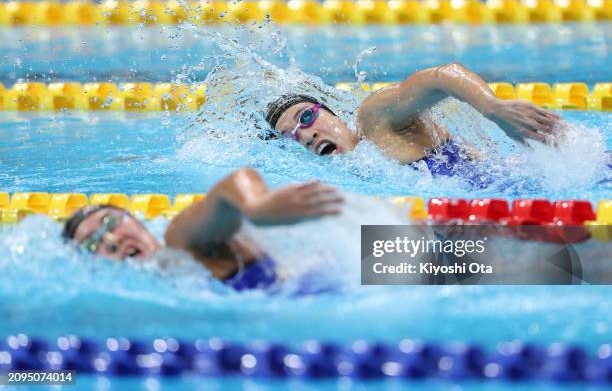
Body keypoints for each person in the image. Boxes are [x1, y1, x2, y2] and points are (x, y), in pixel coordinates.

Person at [265, 63, 563, 180]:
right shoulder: (349, 178)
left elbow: (441, 75)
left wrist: (493, 108)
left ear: (334, 114)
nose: (305, 135)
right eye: (291, 136)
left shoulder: (375, 122)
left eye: (306, 117)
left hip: (541, 182)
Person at [62, 168, 343, 291]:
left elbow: (233, 184)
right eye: (91, 244)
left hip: (364, 260)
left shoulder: (181, 241)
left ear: (139, 222)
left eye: (110, 222)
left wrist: (257, 206)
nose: (110, 240)